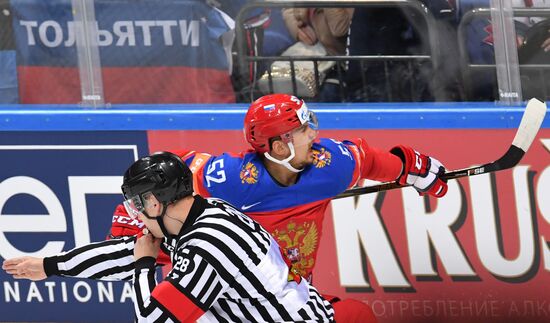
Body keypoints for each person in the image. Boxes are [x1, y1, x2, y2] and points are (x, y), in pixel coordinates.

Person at [3, 93, 448, 322]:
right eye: (302, 128)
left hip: (283, 296)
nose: (315, 134)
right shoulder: (225, 183)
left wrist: (413, 167)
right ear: (275, 144)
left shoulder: (328, 165)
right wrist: (55, 264)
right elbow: (149, 223)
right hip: (273, 293)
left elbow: (155, 311)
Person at [4, 151, 335, 322]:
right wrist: (50, 265)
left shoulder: (208, 246)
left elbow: (152, 319)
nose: (134, 212)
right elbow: (124, 252)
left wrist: (144, 265)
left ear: (153, 201)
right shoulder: (201, 213)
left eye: (136, 202)